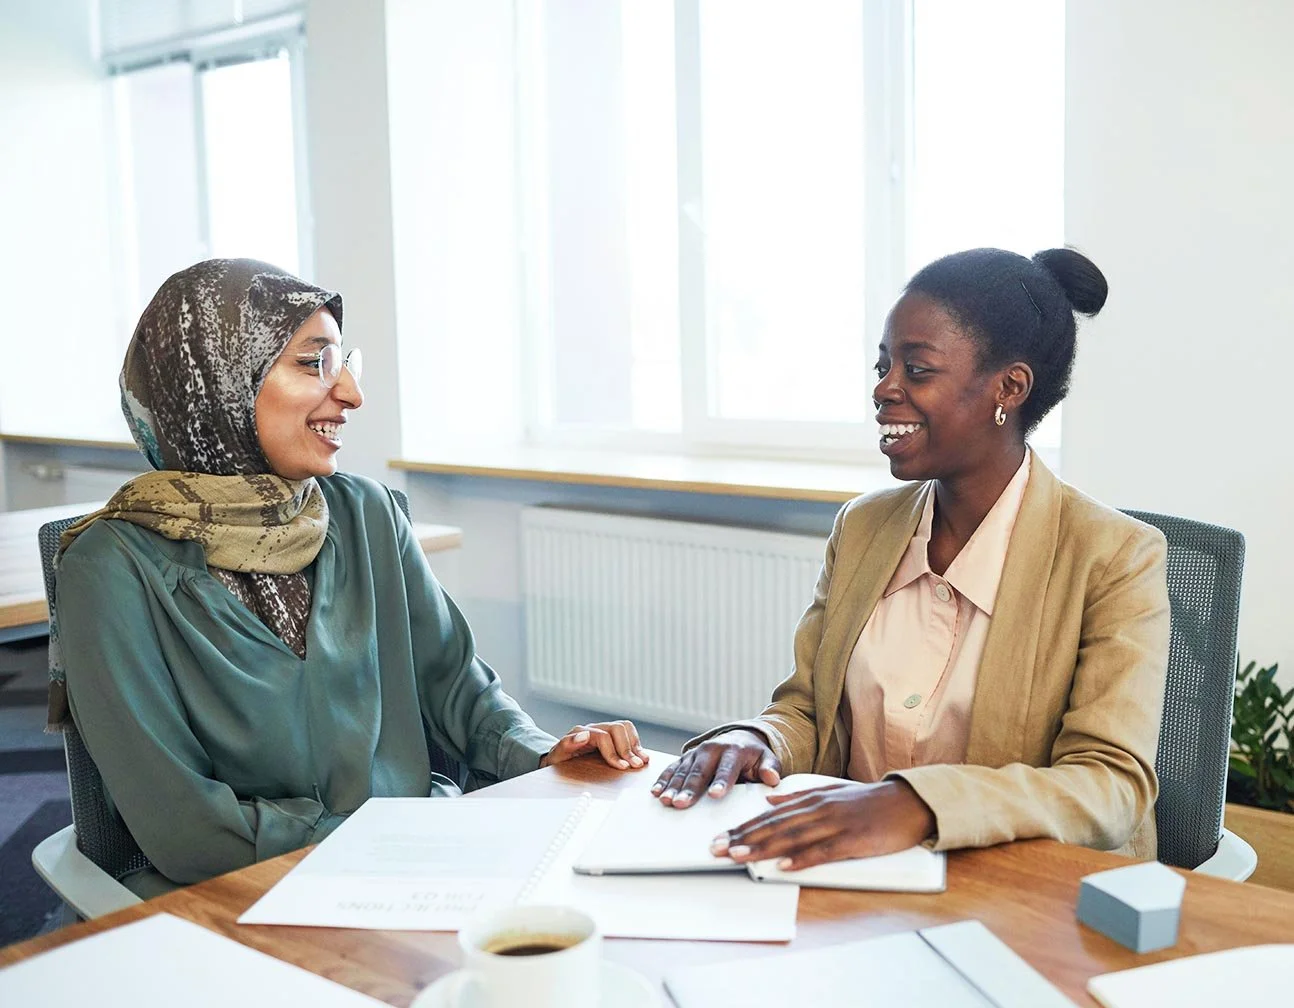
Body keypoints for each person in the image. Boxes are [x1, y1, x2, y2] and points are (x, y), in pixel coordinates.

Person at [49, 259, 647, 897]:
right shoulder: (110, 568)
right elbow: (186, 827)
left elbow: (459, 692)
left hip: (424, 862)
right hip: (244, 897)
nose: (353, 394)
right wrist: (392, 839)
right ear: (217, 385)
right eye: (314, 364)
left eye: (345, 362)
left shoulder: (366, 514)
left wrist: (542, 752)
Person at [651, 247, 1169, 871]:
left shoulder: (1114, 557)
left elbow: (1111, 786)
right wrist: (757, 737)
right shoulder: (865, 526)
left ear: (1010, 387)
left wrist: (917, 804)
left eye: (916, 370)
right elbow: (808, 711)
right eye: (882, 365)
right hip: (856, 879)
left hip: (1021, 892)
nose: (883, 389)